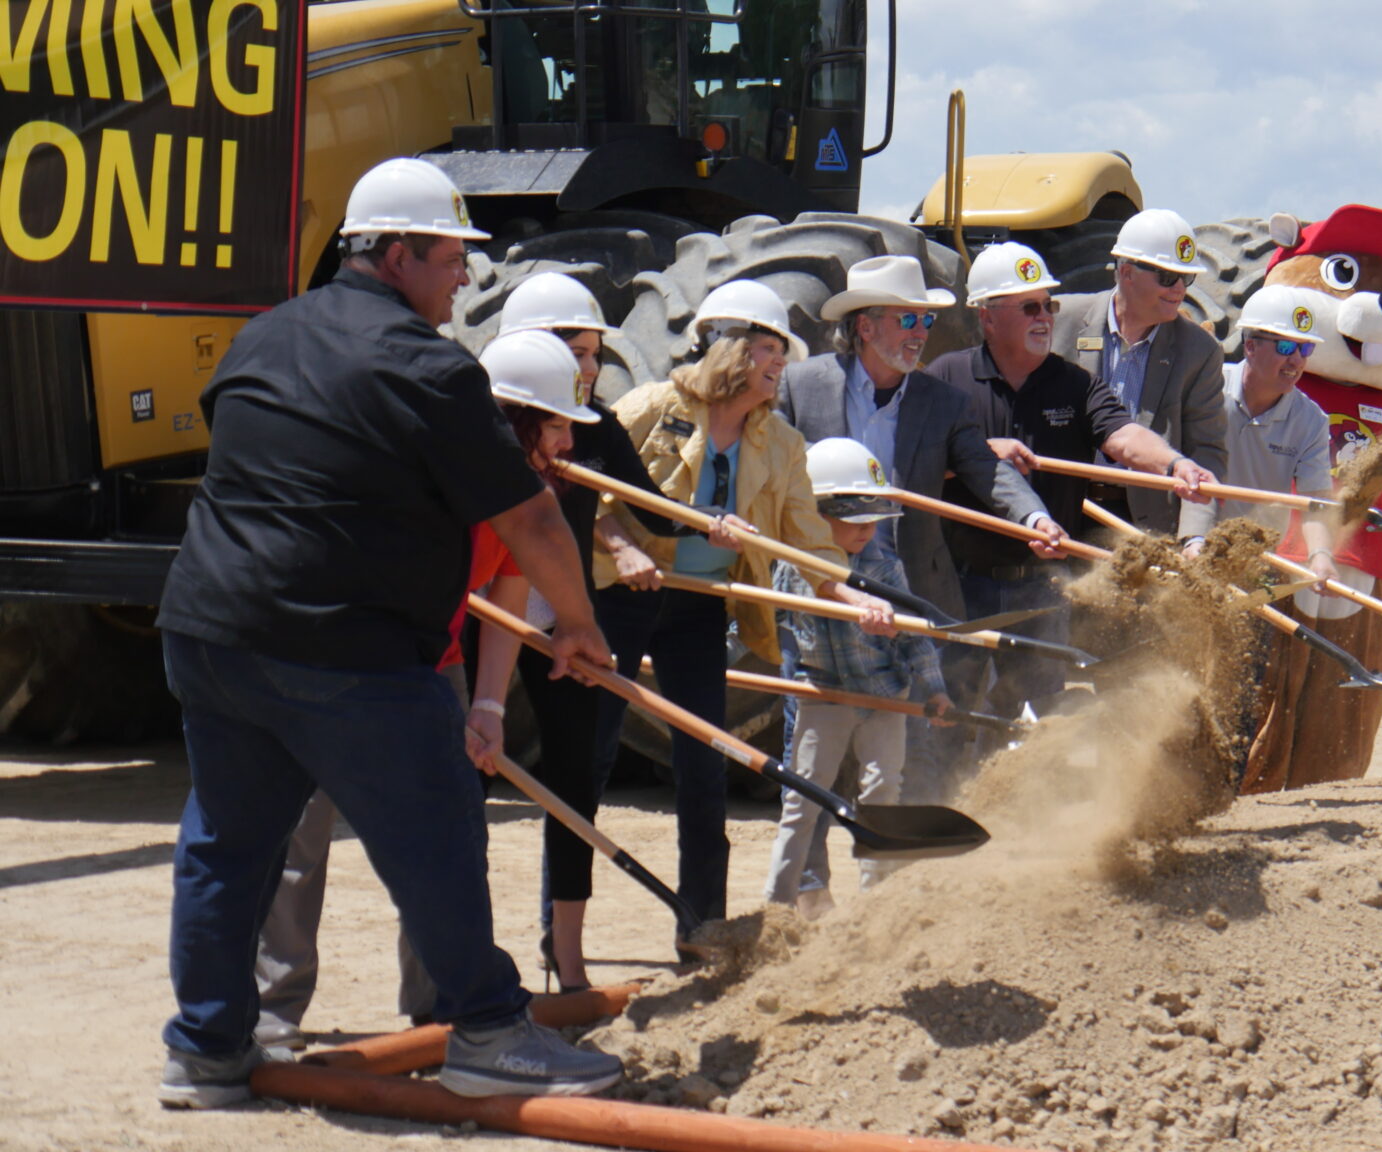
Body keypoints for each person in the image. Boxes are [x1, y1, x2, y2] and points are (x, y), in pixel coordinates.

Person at [153, 157, 622, 1107]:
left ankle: (205, 1053)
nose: (464, 278)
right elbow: (530, 518)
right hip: (346, 648)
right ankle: (490, 1033)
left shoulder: (261, 337)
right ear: (398, 254)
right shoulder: (428, 367)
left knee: (227, 843)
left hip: (211, 630)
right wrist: (580, 628)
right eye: (452, 257)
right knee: (437, 831)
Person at [595, 279, 895, 950]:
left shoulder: (780, 443)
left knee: (704, 764)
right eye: (767, 349)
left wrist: (852, 595)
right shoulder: (648, 409)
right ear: (727, 349)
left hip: (700, 609)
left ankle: (701, 924)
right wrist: (623, 549)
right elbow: (591, 495)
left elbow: (808, 542)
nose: (778, 365)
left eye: (780, 354)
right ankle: (565, 928)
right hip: (623, 597)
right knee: (588, 757)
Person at [776, 254, 1060, 802]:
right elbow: (774, 478)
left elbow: (985, 468)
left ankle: (909, 873)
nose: (921, 333)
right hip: (823, 587)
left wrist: (1033, 516)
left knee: (917, 744)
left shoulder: (942, 401)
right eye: (908, 319)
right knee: (806, 754)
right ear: (865, 325)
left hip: (910, 594)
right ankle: (805, 882)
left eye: (926, 321)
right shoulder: (800, 386)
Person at [925, 241, 1216, 732]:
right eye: (1030, 307)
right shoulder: (945, 379)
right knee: (954, 714)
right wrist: (978, 452)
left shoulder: (1075, 385)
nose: (1045, 318)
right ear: (987, 317)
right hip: (961, 581)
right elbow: (913, 465)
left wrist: (1175, 464)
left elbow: (1123, 437)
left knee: (1037, 713)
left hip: (1042, 584)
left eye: (1049, 305)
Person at [483, 272, 677, 993]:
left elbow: (655, 514)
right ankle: (464, 961)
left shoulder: (593, 426)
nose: (588, 370)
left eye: (594, 354)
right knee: (465, 780)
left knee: (573, 780)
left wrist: (711, 523)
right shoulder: (482, 434)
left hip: (564, 618)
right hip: (484, 613)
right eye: (573, 349)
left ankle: (567, 956)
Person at [765, 439, 954, 918]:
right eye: (855, 520)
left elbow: (916, 640)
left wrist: (935, 689)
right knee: (802, 800)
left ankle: (875, 903)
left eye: (874, 519)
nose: (867, 530)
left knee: (881, 795)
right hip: (822, 694)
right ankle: (779, 908)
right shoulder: (790, 569)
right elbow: (760, 621)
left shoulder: (886, 567)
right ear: (814, 513)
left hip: (884, 696)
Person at [1050, 208, 1228, 542]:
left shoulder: (1200, 352)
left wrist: (1194, 538)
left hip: (1142, 523)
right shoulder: (1058, 320)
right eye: (1166, 277)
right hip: (1059, 512)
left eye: (1186, 278)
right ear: (1127, 272)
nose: (1179, 289)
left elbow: (1206, 453)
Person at [1178, 284, 1340, 585]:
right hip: (1190, 546)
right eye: (1285, 347)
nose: (1297, 361)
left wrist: (1320, 555)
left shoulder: (1311, 421)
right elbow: (1191, 468)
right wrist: (1194, 540)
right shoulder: (1208, 389)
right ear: (1250, 346)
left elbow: (1313, 501)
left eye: (1305, 349)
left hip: (1254, 559)